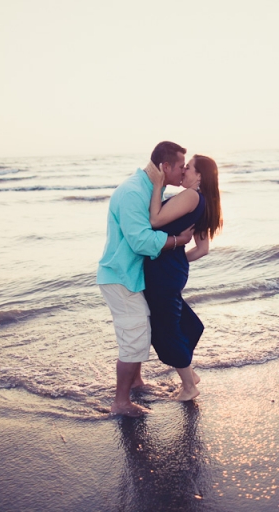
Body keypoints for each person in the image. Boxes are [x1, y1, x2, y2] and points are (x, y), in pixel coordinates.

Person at [97, 141, 195, 417]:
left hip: (133, 276)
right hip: (119, 276)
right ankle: (121, 402)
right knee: (134, 337)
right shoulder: (132, 193)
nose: (183, 170)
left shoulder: (150, 189)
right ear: (165, 167)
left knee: (142, 330)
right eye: (180, 166)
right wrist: (179, 241)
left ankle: (137, 383)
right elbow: (140, 241)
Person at [143, 154, 223, 401]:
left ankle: (189, 386)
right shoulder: (203, 201)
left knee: (166, 329)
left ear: (199, 176)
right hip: (171, 269)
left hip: (164, 271)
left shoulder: (190, 195)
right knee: (178, 321)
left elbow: (155, 220)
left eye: (189, 168)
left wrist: (157, 185)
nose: (184, 170)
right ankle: (190, 374)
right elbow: (202, 249)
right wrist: (177, 260)